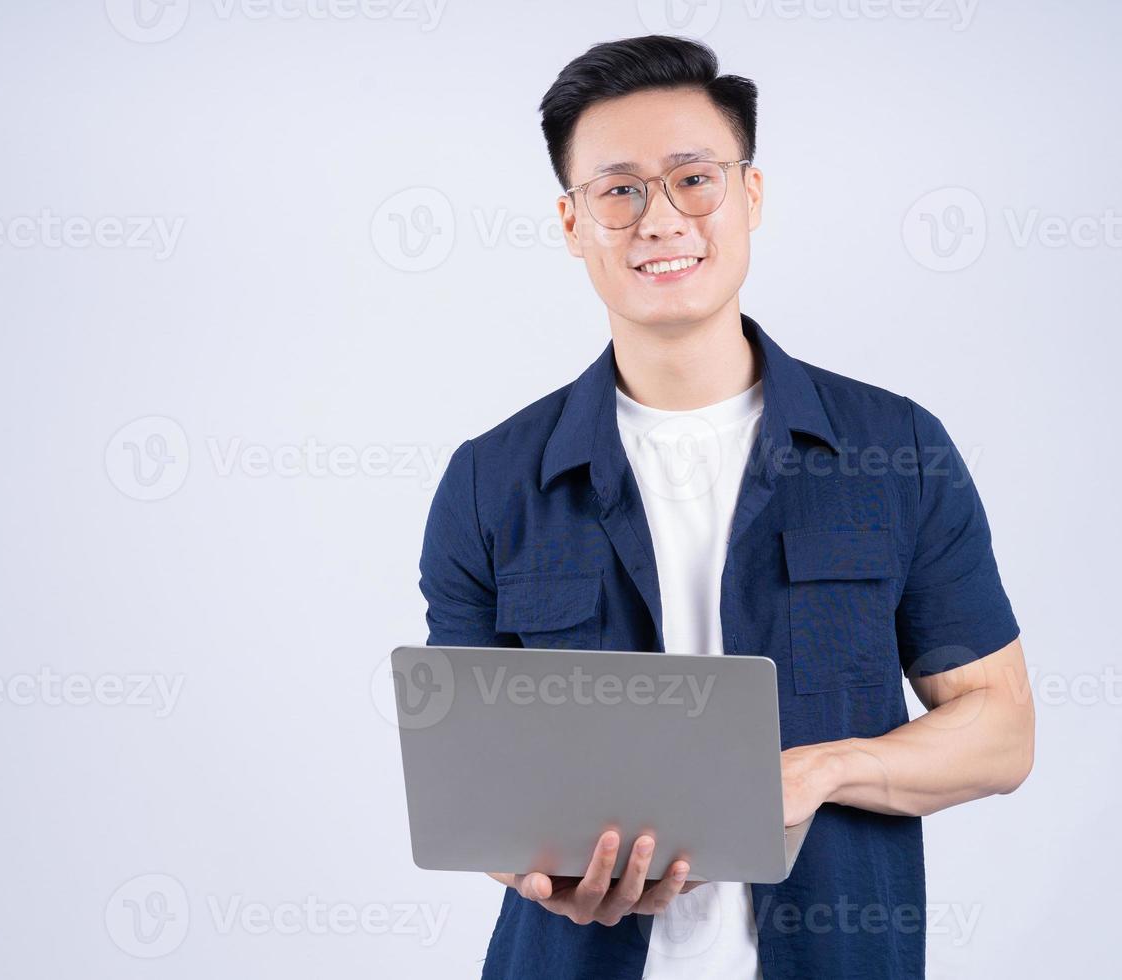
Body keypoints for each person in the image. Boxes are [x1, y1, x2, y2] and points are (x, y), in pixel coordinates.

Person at [416, 34, 1034, 980]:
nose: (660, 219)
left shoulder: (894, 451)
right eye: (617, 190)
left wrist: (823, 771)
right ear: (572, 222)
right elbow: (474, 784)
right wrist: (540, 869)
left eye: (693, 179)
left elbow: (1000, 729)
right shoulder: (490, 482)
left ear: (749, 195)